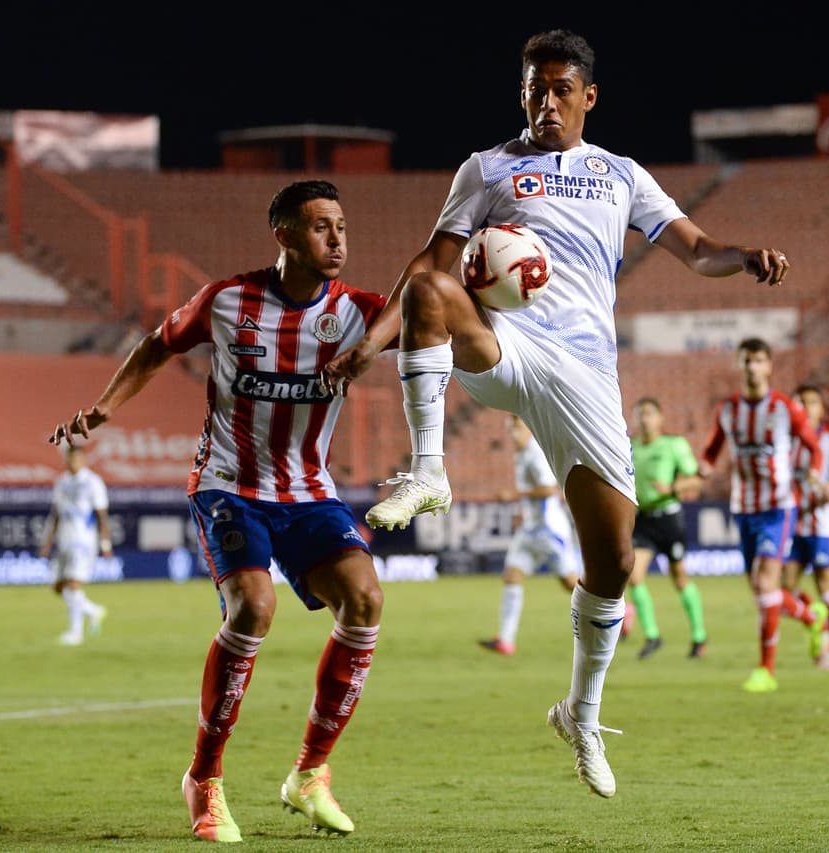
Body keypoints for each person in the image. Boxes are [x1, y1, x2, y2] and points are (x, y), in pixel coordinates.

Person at [322, 30, 790, 797]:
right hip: (507, 343)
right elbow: (428, 269)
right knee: (433, 291)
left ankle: (581, 711)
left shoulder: (620, 175)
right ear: (522, 93)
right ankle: (429, 468)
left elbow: (696, 247)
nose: (545, 102)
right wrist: (367, 346)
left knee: (613, 563)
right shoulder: (487, 168)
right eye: (533, 89)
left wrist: (743, 255)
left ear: (588, 96)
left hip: (587, 375)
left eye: (560, 89)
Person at [48, 180, 389, 840]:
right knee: (255, 606)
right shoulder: (228, 301)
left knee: (367, 600)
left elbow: (424, 314)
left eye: (342, 226)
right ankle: (204, 778)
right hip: (229, 483)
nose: (338, 239)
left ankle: (310, 773)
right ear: (284, 234)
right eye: (321, 226)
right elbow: (156, 344)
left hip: (310, 491)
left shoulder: (361, 312)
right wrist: (102, 409)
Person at [700, 338, 828, 694]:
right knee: (761, 591)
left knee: (765, 585)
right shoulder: (728, 409)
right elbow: (712, 450)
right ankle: (810, 615)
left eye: (758, 361)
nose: (752, 367)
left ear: (769, 366)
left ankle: (765, 670)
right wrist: (704, 468)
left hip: (778, 507)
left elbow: (813, 446)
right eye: (746, 361)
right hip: (743, 509)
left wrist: (815, 471)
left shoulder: (785, 408)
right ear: (738, 366)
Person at [480, 415, 581, 655]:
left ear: (528, 429)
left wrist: (515, 495)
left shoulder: (535, 453)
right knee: (512, 576)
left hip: (549, 530)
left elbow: (549, 489)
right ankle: (506, 640)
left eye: (516, 429)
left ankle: (616, 608)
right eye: (510, 429)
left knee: (572, 585)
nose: (512, 434)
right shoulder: (521, 453)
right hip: (530, 529)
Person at [626, 397, 708, 660]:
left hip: (669, 519)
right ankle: (652, 635)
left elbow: (696, 480)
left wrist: (673, 488)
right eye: (639, 414)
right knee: (633, 576)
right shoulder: (629, 446)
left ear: (660, 418)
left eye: (649, 413)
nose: (644, 418)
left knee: (679, 578)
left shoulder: (674, 445)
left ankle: (699, 636)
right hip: (643, 520)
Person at [784, 383, 829, 669]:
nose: (805, 407)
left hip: (822, 525)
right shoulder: (786, 440)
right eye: (800, 402)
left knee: (825, 583)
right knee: (785, 586)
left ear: (821, 408)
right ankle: (817, 621)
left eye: (812, 402)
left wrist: (827, 487)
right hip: (792, 523)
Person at [37, 444, 112, 646]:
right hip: (64, 540)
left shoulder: (93, 482)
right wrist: (47, 541)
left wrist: (105, 543)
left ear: (83, 460)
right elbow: (56, 514)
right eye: (70, 459)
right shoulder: (61, 482)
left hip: (83, 541)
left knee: (73, 584)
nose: (73, 462)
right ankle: (94, 611)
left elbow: (101, 515)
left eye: (77, 459)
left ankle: (75, 633)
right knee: (58, 586)